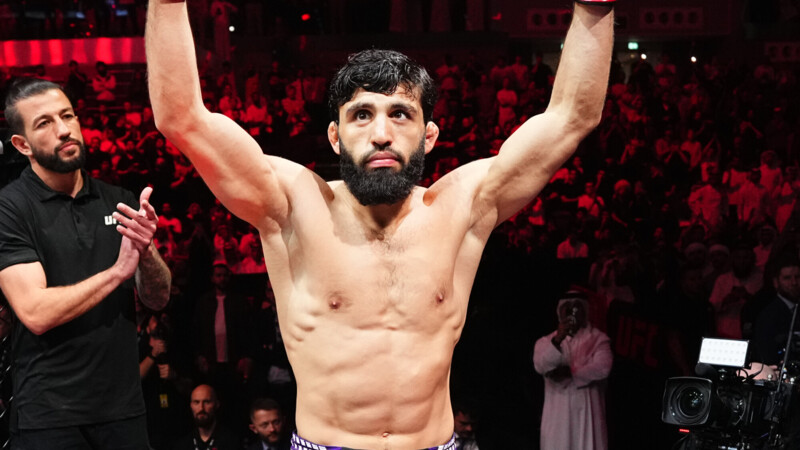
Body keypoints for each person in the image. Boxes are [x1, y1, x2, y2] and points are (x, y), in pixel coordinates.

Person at [146, 0, 615, 447]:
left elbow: (572, 116)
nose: (381, 134)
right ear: (335, 136)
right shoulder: (291, 204)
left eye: (400, 114)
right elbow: (181, 117)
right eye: (362, 115)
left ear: (429, 135)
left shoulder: (463, 206)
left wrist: (596, 5)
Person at [0, 78, 171, 449]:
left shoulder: (118, 200)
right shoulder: (10, 209)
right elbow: (35, 312)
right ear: (22, 145)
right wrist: (117, 273)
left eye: (68, 116)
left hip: (123, 410)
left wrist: (146, 251)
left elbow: (158, 298)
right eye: (44, 123)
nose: (64, 130)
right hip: (48, 416)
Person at [533, 291, 612, 450]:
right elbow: (540, 365)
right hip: (558, 418)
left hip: (587, 417)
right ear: (560, 311)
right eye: (567, 307)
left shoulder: (598, 339)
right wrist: (558, 340)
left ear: (585, 311)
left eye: (576, 307)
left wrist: (572, 373)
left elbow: (603, 367)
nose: (572, 312)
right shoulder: (545, 342)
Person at [175, 384, 241, 450]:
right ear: (191, 406)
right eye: (196, 402)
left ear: (217, 404)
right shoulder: (183, 444)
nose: (201, 408)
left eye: (206, 402)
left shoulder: (231, 442)